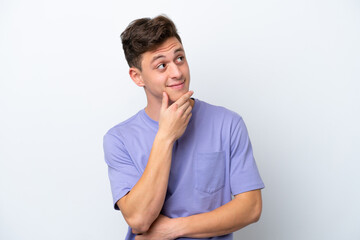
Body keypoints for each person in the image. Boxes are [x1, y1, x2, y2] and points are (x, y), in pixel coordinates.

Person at [103, 15, 265, 240]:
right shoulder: (119, 139)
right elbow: (139, 218)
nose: (177, 72)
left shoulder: (228, 124)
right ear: (137, 77)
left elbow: (251, 208)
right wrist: (165, 137)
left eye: (179, 58)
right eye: (161, 65)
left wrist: (172, 229)